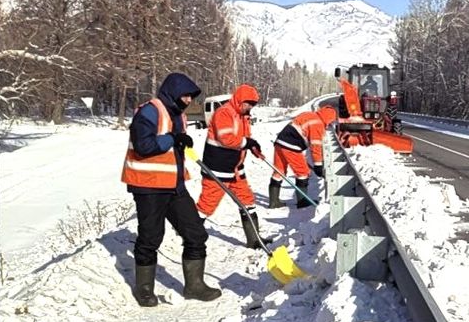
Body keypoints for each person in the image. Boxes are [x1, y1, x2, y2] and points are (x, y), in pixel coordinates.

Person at [121, 72, 221, 306]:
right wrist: (173, 139)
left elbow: (173, 142)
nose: (188, 100)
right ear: (173, 92)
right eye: (185, 95)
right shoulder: (150, 111)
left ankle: (194, 285)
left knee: (196, 234)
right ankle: (144, 289)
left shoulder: (178, 115)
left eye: (191, 96)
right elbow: (143, 145)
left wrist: (180, 139)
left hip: (174, 186)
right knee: (150, 237)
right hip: (148, 186)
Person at [195, 83, 270, 249]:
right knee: (207, 205)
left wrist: (253, 147)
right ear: (240, 100)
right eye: (248, 103)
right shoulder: (224, 113)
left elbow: (245, 138)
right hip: (217, 167)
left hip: (236, 168)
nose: (250, 107)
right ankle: (189, 234)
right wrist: (247, 142)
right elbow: (226, 139)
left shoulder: (243, 116)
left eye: (252, 105)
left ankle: (254, 240)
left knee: (247, 201)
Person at [268, 106, 338, 209]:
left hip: (280, 142)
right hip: (291, 145)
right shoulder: (317, 124)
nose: (329, 124)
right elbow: (315, 146)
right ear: (329, 118)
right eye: (331, 121)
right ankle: (302, 201)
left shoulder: (309, 115)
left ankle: (273, 202)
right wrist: (318, 165)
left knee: (279, 171)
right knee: (303, 172)